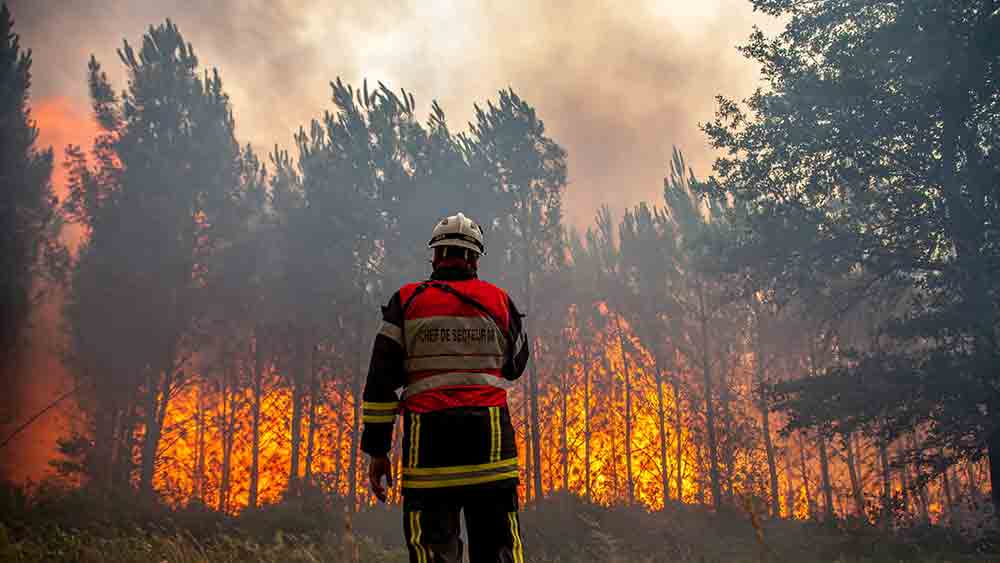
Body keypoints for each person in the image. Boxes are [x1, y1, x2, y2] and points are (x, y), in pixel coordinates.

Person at [361, 212, 530, 563]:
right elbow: (516, 365)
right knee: (499, 552)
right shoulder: (499, 301)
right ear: (475, 258)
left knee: (433, 553)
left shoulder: (406, 303)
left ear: (436, 256)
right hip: (491, 453)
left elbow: (380, 386)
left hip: (430, 456)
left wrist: (378, 451)